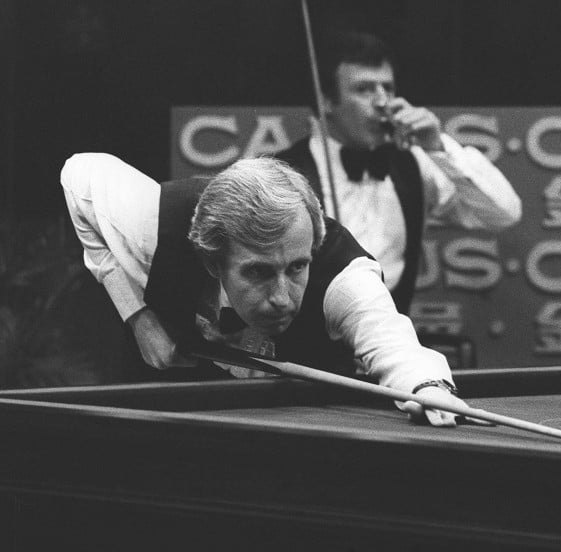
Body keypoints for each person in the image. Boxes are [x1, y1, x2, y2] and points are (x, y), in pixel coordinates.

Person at [61, 152, 463, 425]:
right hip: (187, 424)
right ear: (212, 262)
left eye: (297, 267)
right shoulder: (157, 225)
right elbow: (78, 173)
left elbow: (391, 339)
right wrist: (137, 315)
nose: (282, 298)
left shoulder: (344, 277)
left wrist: (427, 387)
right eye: (257, 273)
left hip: (316, 431)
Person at [274, 31, 521, 314]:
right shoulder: (284, 174)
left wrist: (438, 145)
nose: (383, 102)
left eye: (388, 88)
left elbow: (504, 214)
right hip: (306, 347)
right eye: (365, 89)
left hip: (389, 340)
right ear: (326, 101)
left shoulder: (413, 162)